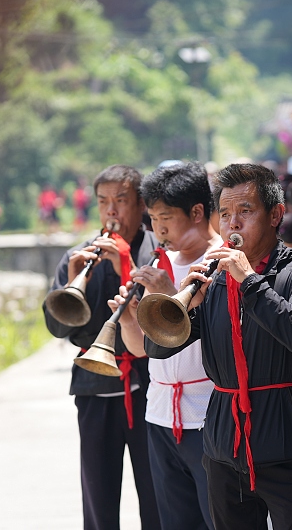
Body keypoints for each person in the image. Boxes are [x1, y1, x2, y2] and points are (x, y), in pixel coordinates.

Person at [145, 163, 292, 529]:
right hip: (223, 449)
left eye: (245, 211)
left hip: (289, 448)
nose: (233, 224)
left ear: (276, 215)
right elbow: (158, 350)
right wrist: (183, 308)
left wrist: (248, 279)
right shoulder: (213, 280)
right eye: (225, 213)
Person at [43, 165, 161, 530]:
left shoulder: (157, 252)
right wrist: (71, 282)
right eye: (103, 202)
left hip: (149, 387)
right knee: (98, 497)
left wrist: (127, 267)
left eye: (121, 201)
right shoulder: (78, 256)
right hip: (94, 389)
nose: (111, 211)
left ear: (141, 205)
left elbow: (163, 318)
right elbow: (57, 328)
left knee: (157, 492)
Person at [111, 161, 220, 530]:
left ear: (197, 212)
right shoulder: (160, 263)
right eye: (153, 219)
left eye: (166, 218)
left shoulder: (221, 264)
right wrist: (128, 317)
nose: (159, 229)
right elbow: (141, 349)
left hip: (208, 414)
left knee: (218, 519)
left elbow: (220, 338)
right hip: (159, 413)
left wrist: (170, 294)